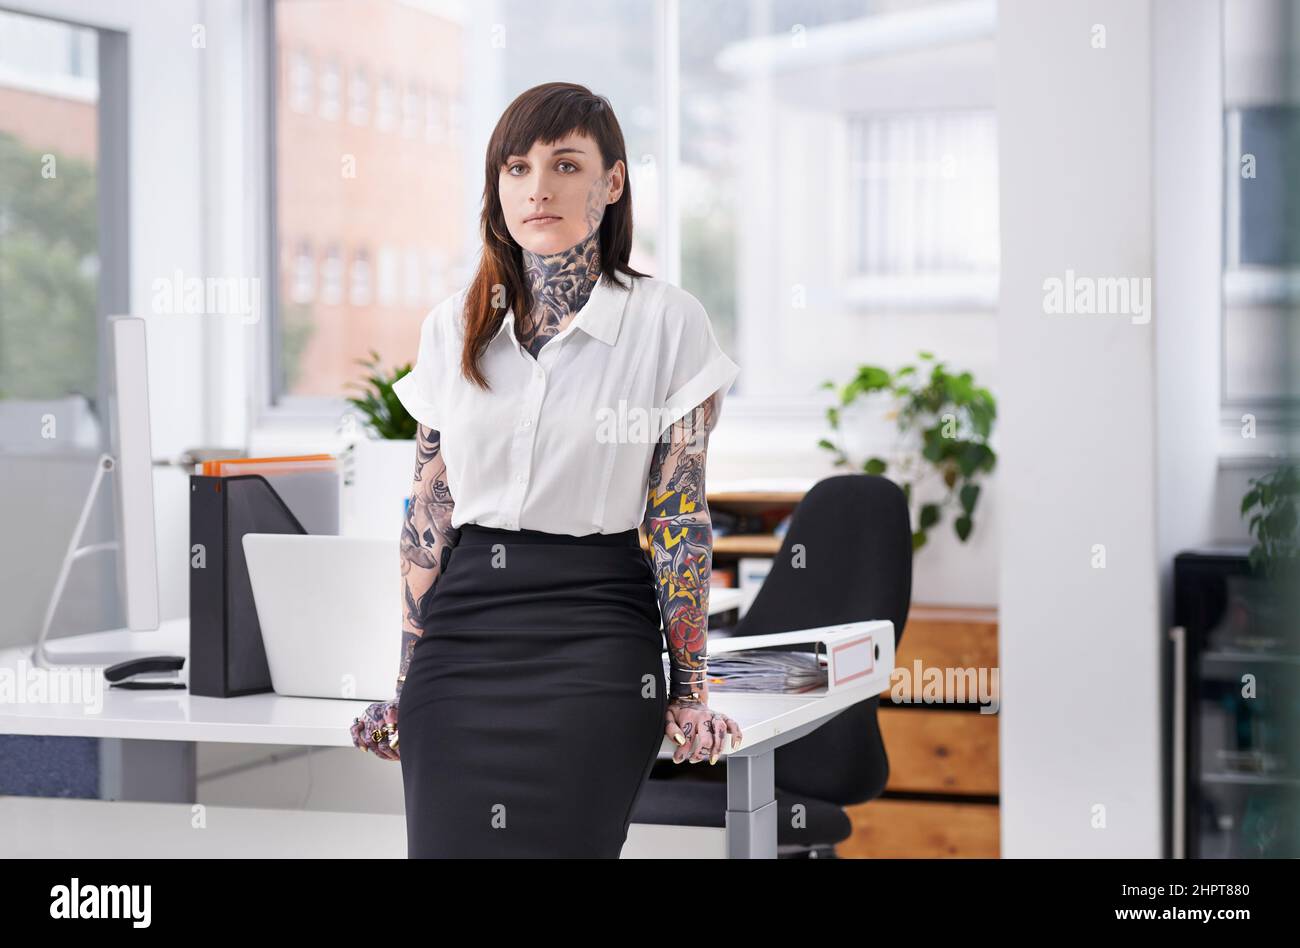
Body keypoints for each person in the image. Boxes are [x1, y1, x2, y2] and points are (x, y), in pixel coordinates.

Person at [349, 81, 743, 858]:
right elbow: (426, 521)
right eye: (517, 168)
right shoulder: (451, 327)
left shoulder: (668, 323)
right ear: (497, 188)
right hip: (459, 648)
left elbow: (677, 521)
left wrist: (690, 691)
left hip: (594, 639)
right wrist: (404, 681)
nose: (539, 189)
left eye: (566, 165)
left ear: (613, 183)